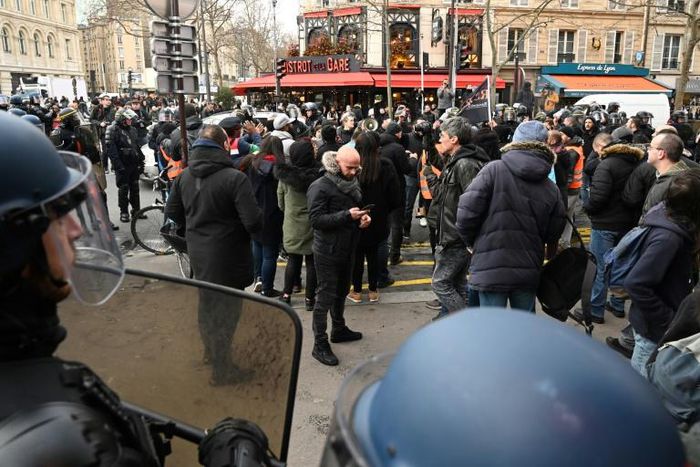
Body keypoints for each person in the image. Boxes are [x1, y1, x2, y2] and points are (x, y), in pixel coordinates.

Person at [165, 125, 263, 385]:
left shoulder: (184, 177)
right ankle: (223, 370)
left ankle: (212, 353)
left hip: (199, 252)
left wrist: (195, 227)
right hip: (229, 255)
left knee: (207, 306)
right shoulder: (234, 178)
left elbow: (172, 212)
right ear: (223, 147)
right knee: (228, 312)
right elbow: (253, 222)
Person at [457, 121, 566, 311]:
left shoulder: (493, 170)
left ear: (515, 142)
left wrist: (471, 243)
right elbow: (554, 233)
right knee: (522, 330)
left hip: (490, 265)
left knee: (491, 329)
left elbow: (466, 213)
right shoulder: (551, 188)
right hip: (528, 268)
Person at [626, 170, 700, 376]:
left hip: (658, 324)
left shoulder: (673, 224)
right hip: (653, 331)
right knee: (642, 394)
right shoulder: (668, 239)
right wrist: (669, 319)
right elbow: (636, 284)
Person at [307, 147, 370, 366]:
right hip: (327, 250)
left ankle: (339, 328)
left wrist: (362, 219)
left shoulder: (352, 183)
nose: (354, 172)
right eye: (349, 167)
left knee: (343, 290)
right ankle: (319, 343)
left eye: (357, 168)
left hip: (348, 246)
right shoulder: (320, 186)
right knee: (325, 295)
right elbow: (316, 221)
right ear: (337, 164)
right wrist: (347, 215)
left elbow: (355, 209)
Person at [424, 117, 490, 318]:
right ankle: (465, 327)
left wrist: (467, 236)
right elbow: (444, 194)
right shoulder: (456, 161)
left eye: (442, 136)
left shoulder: (465, 164)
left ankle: (466, 323)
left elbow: (475, 203)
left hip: (457, 236)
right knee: (459, 283)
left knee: (441, 283)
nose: (440, 139)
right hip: (453, 233)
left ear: (454, 139)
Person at [579, 134, 644, 323]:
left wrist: (588, 207)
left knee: (600, 267)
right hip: (628, 224)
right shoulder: (638, 165)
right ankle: (617, 305)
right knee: (621, 265)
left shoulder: (606, 165)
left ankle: (595, 311)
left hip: (605, 223)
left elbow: (598, 198)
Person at [348, 132, 401, 304]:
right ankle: (373, 289)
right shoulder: (385, 165)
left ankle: (356, 291)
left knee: (356, 254)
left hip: (356, 216)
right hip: (379, 216)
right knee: (374, 253)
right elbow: (395, 195)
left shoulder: (352, 166)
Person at [275, 140, 321, 309]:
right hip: (313, 223)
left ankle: (286, 295)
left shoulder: (285, 178)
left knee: (293, 260)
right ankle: (310, 299)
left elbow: (280, 202)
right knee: (311, 262)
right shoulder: (318, 176)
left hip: (292, 223)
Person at [240, 135, 285, 298]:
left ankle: (258, 278)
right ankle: (267, 287)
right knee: (270, 253)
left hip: (255, 210)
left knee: (257, 245)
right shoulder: (279, 168)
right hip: (273, 213)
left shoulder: (252, 163)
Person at [379, 122, 413, 266]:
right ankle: (395, 255)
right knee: (396, 223)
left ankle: (382, 252)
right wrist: (412, 159)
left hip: (380, 188)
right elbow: (406, 169)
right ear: (397, 133)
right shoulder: (397, 148)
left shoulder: (379, 145)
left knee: (383, 222)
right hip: (397, 188)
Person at [104, 108, 145, 223]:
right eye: (128, 119)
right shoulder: (112, 129)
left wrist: (141, 160)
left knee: (135, 187)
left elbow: (135, 146)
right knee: (123, 188)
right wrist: (118, 165)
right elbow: (111, 150)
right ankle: (124, 212)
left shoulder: (132, 129)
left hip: (133, 163)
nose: (130, 120)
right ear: (121, 119)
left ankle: (136, 211)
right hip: (122, 164)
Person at [89, 94, 115, 171]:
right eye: (106, 100)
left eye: (109, 100)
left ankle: (113, 167)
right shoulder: (97, 108)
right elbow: (91, 119)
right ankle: (105, 166)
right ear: (102, 101)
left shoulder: (112, 108)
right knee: (105, 150)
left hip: (112, 130)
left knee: (113, 149)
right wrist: (99, 123)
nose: (108, 101)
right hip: (103, 132)